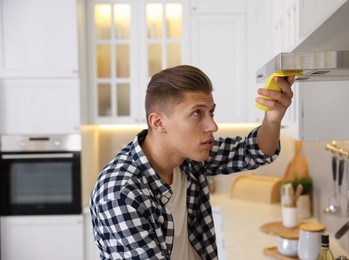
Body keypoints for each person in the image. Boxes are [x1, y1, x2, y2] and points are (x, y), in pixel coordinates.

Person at [90, 65, 295, 260]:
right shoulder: (121, 192)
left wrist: (273, 119)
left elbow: (254, 151)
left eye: (211, 112)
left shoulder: (188, 157)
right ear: (158, 123)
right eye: (197, 113)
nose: (213, 125)